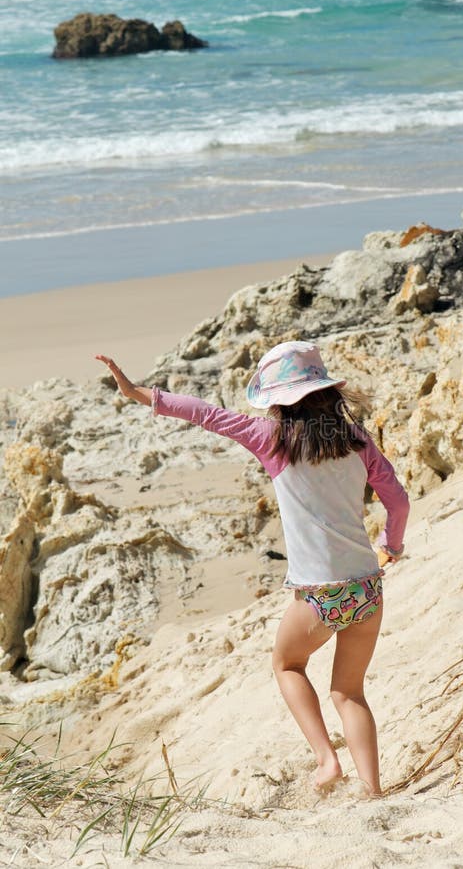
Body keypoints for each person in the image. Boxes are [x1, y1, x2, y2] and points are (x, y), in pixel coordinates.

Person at [95, 341, 409, 797]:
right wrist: (391, 545)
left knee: (288, 664)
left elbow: (206, 414)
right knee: (350, 693)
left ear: (277, 400)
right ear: (326, 391)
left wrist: (139, 393)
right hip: (367, 589)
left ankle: (326, 759)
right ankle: (372, 789)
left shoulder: (271, 439)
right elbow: (397, 499)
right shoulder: (357, 441)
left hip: (320, 594)